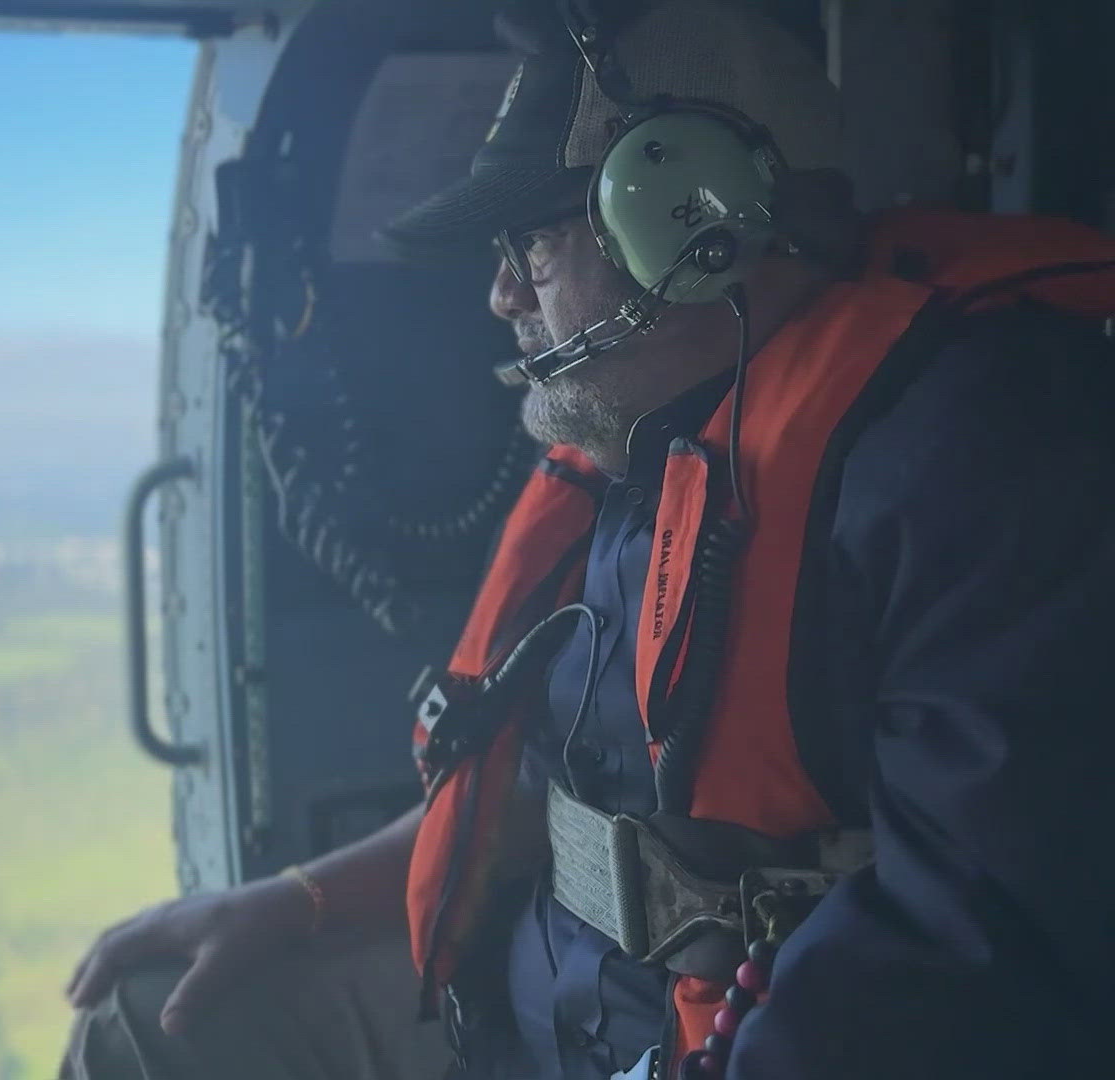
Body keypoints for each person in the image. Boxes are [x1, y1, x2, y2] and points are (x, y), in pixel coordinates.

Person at [62, 0, 1115, 1077]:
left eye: (532, 241)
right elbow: (545, 802)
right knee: (149, 1028)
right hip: (538, 1010)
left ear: (691, 226)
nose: (500, 293)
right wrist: (299, 900)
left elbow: (985, 951)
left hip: (742, 1046)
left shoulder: (979, 447)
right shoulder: (650, 450)